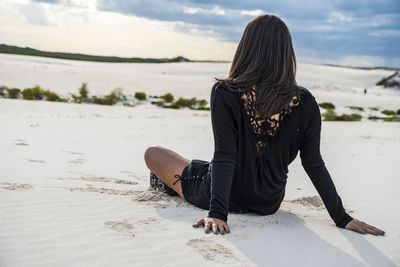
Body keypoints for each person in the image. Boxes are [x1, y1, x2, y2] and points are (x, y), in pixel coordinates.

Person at [144, 14, 384, 237]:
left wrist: (217, 213)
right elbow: (313, 163)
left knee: (154, 153)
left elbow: (226, 156)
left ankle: (178, 186)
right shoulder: (306, 102)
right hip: (268, 202)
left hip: (223, 197)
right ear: (286, 53)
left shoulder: (226, 92)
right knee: (200, 165)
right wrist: (341, 217)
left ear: (246, 49)